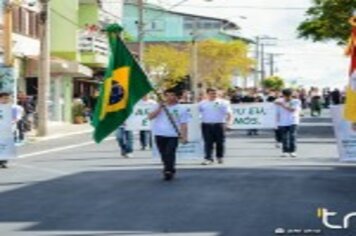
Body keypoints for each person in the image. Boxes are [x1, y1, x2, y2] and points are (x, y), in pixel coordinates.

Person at [148, 89, 189, 181]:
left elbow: (184, 124)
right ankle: (168, 168)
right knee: (163, 154)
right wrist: (160, 108)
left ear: (177, 97)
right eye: (167, 95)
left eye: (172, 95)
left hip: (173, 135)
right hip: (159, 133)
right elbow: (150, 117)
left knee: (170, 152)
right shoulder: (157, 106)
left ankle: (168, 171)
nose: (169, 97)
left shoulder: (181, 108)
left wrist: (184, 136)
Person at [199, 88, 232, 165]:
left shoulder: (223, 102)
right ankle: (208, 158)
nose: (213, 95)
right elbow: (195, 113)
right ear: (207, 94)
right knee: (208, 142)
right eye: (211, 93)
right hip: (206, 124)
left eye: (215, 93)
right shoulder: (202, 103)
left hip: (219, 124)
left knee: (220, 142)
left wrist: (229, 123)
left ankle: (219, 157)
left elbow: (229, 114)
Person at [275, 89, 301, 158]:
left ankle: (292, 151)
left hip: (293, 121)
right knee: (284, 137)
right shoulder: (279, 101)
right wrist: (276, 122)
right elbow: (275, 110)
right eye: (286, 96)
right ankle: (285, 151)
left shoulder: (296, 101)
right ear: (283, 95)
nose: (288, 97)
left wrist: (282, 104)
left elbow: (292, 110)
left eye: (289, 96)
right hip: (282, 122)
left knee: (292, 136)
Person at [0, 92, 12, 168]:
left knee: (5, 146)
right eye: (4, 98)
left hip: (6, 130)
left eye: (7, 98)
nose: (6, 100)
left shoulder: (10, 107)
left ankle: (3, 162)